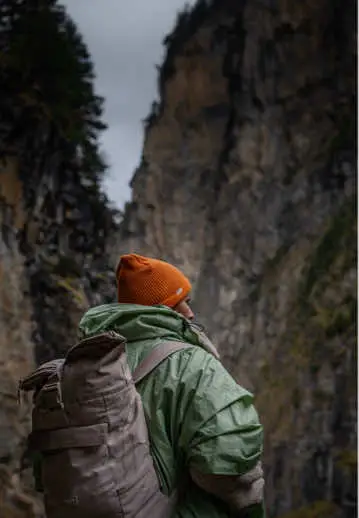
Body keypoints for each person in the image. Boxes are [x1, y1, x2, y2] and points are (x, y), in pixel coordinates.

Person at [79, 253, 265, 518]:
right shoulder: (192, 364)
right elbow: (227, 466)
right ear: (159, 308)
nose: (190, 312)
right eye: (180, 302)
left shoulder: (91, 362)